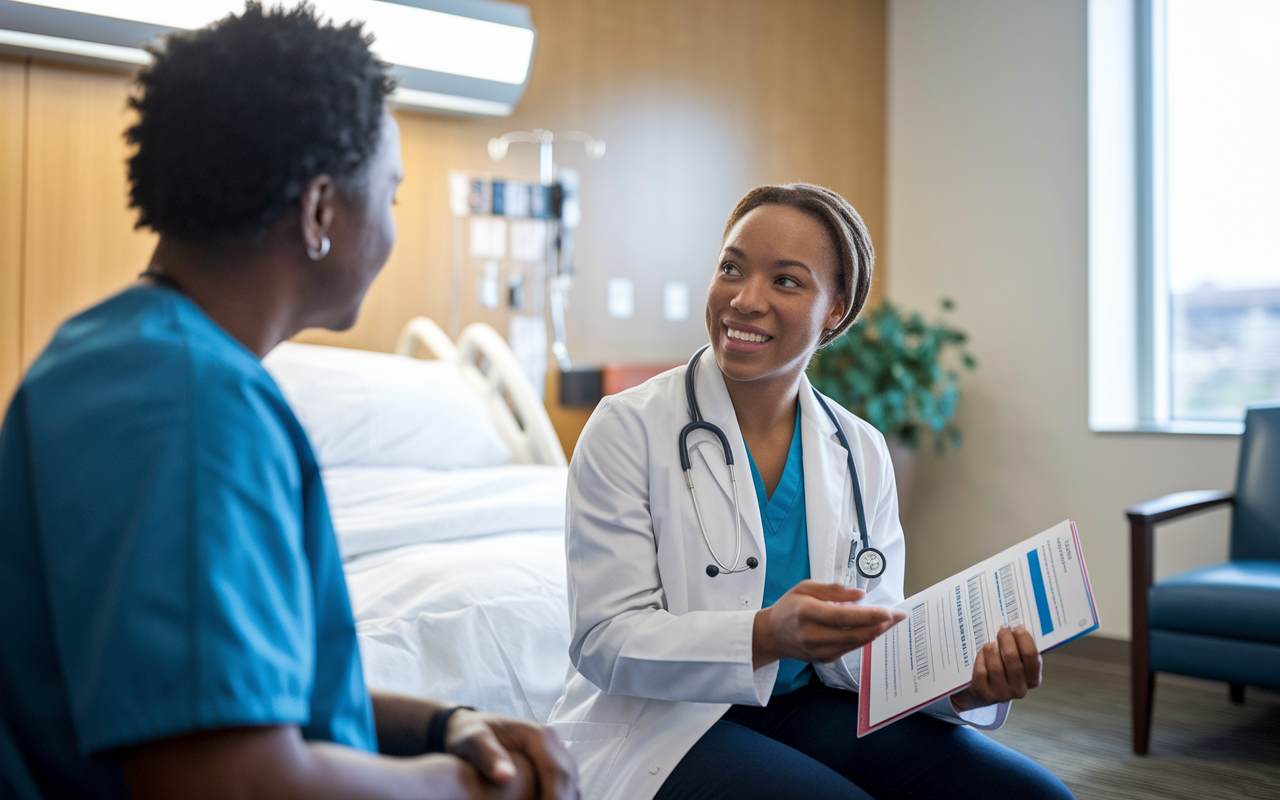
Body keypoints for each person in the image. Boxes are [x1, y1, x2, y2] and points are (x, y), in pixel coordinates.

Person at [0, 5, 577, 799]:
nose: (392, 224)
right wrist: (474, 790)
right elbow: (231, 780)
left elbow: (239, 701)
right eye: (392, 193)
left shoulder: (106, 353)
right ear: (319, 211)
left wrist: (440, 726)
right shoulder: (197, 410)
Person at [545, 183, 1074, 800]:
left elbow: (867, 645)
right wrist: (767, 633)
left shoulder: (860, 449)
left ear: (835, 310)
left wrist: (962, 689)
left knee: (1034, 798)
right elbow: (604, 640)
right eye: (731, 268)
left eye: (787, 281)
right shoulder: (626, 427)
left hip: (810, 704)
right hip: (666, 719)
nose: (744, 300)